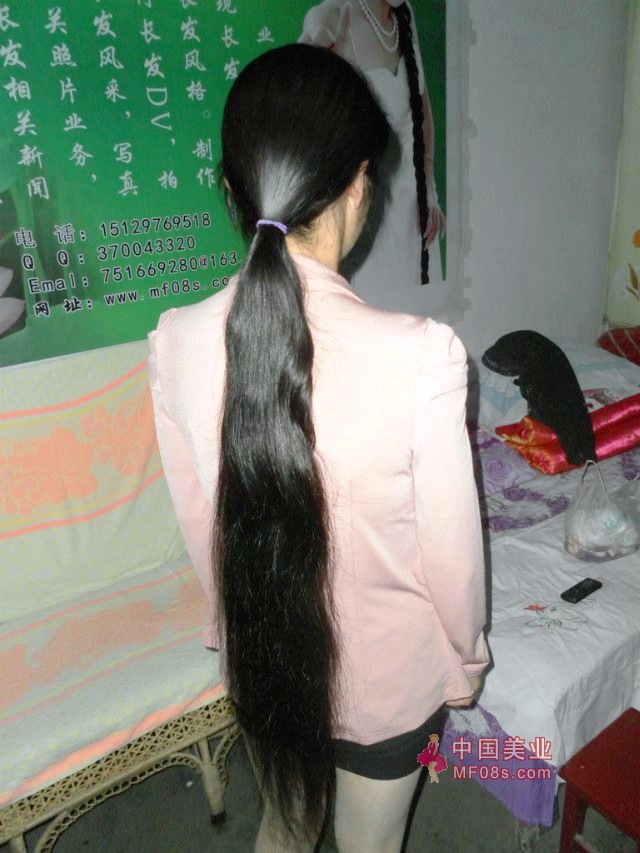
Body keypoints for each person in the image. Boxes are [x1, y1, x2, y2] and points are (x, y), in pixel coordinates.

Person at [149, 43, 489, 853]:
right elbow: (453, 559)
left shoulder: (173, 341)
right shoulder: (422, 355)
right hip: (387, 687)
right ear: (359, 186)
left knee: (284, 826)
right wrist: (466, 663)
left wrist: (228, 629)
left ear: (230, 189)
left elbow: (204, 529)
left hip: (262, 665)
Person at [300, 0, 446, 297]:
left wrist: (430, 191)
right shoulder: (331, 16)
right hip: (366, 207)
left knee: (421, 305)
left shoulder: (404, 15)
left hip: (413, 204)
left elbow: (422, 111)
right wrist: (314, 57)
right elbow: (297, 105)